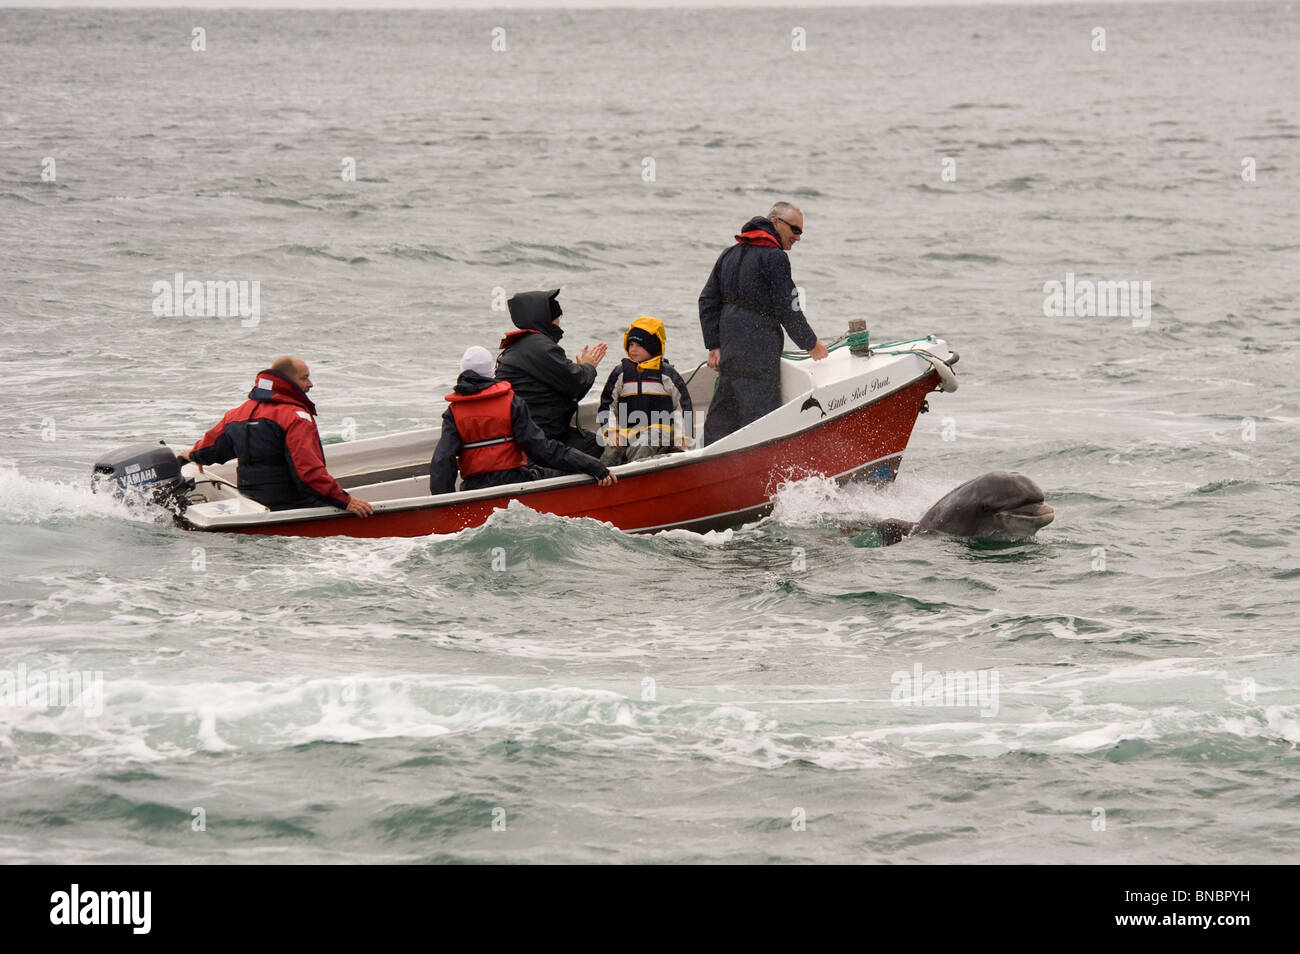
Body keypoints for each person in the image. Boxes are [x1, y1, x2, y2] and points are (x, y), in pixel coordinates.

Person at [698, 201, 830, 445]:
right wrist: (812, 345)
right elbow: (788, 308)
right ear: (776, 223)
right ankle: (759, 474)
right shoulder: (775, 257)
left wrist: (714, 345)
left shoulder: (729, 253)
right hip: (758, 354)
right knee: (760, 422)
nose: (798, 237)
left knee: (722, 418)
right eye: (796, 230)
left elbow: (707, 301)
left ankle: (707, 468)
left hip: (730, 352)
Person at [177, 356, 374, 516]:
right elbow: (308, 472)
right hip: (291, 504)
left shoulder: (236, 414)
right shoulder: (296, 417)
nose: (311, 384)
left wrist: (191, 455)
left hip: (253, 500)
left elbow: (211, 449)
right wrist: (346, 501)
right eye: (304, 378)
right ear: (287, 381)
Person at [429, 346, 618, 495]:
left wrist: (444, 502)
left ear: (462, 371)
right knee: (572, 473)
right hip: (515, 481)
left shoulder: (454, 412)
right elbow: (543, 449)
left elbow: (442, 461)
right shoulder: (511, 403)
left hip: (475, 488)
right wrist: (594, 466)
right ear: (490, 373)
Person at [496, 288, 606, 457]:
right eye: (557, 318)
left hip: (526, 434)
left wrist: (583, 369)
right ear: (546, 318)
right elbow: (577, 381)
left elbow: (570, 392)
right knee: (595, 445)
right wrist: (588, 367)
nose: (559, 323)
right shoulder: (540, 347)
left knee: (592, 442)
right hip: (540, 437)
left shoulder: (518, 347)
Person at [595, 316, 694, 466]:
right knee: (611, 452)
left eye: (639, 345)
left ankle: (635, 481)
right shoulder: (620, 373)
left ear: (652, 347)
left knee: (643, 444)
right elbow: (607, 405)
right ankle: (605, 482)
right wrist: (612, 431)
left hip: (660, 431)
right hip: (627, 431)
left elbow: (683, 408)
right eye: (631, 344)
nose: (633, 349)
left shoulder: (667, 374)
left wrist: (683, 440)